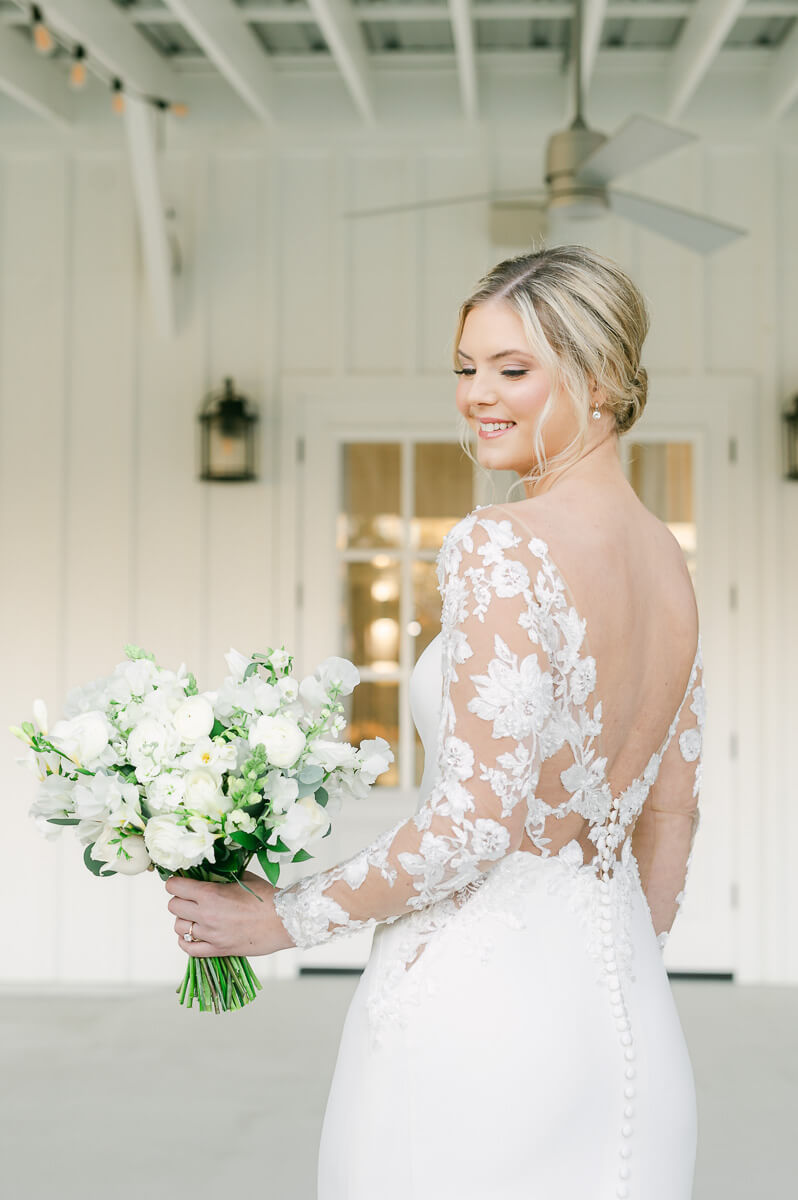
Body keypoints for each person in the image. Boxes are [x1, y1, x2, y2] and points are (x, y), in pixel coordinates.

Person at [166, 244, 705, 1200]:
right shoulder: (669, 562)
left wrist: (277, 918)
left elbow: (473, 824)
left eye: (512, 369)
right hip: (625, 1016)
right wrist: (608, 967)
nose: (476, 396)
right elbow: (670, 818)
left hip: (476, 1014)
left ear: (607, 379)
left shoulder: (501, 542)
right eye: (466, 368)